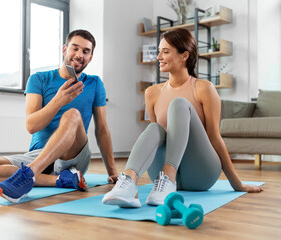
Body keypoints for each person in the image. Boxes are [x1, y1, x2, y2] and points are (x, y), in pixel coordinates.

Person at [102, 28, 263, 208]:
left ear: (184, 55)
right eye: (158, 52)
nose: (158, 57)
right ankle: (128, 183)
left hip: (201, 172)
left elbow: (214, 138)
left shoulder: (204, 88)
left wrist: (237, 184)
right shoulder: (151, 93)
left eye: (165, 52)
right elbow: (156, 141)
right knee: (154, 128)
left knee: (179, 104)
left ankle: (169, 178)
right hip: (159, 176)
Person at [0, 29, 118, 203]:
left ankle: (29, 174)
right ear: (64, 50)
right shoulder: (39, 79)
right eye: (74, 48)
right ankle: (62, 180)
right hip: (39, 155)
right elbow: (31, 126)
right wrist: (58, 100)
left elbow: (102, 129)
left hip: (72, 156)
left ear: (90, 57)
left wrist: (113, 171)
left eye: (85, 51)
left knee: (72, 114)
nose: (79, 55)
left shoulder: (94, 83)